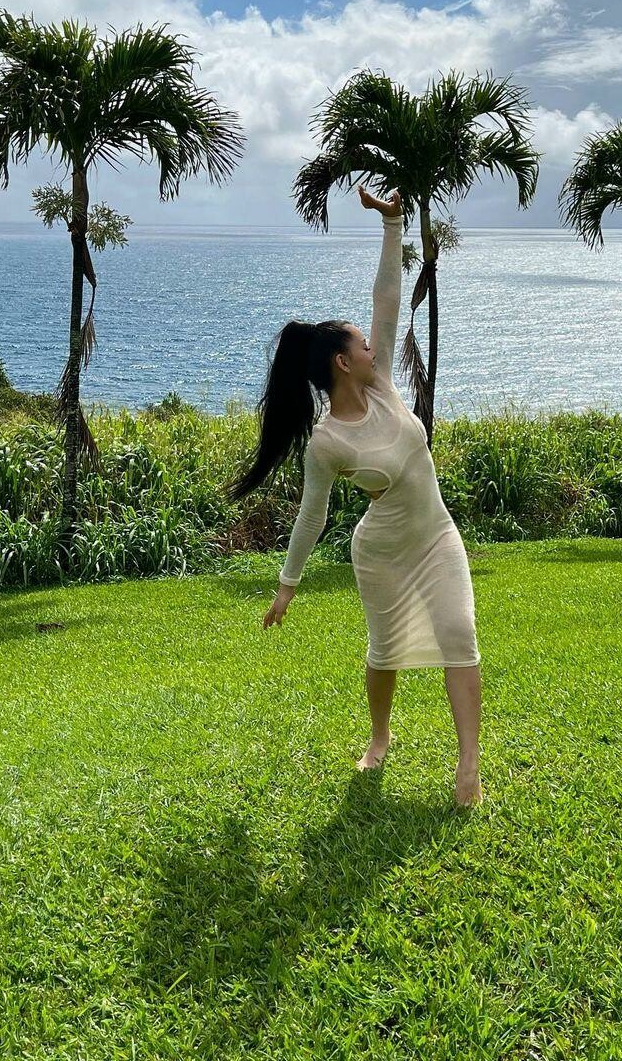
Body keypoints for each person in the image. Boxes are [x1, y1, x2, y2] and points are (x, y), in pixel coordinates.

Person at [227, 184, 483, 807]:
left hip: (436, 535)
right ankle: (380, 737)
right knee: (385, 653)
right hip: (381, 552)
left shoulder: (382, 386)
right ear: (343, 363)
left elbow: (386, 300)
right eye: (361, 345)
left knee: (459, 634)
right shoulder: (327, 442)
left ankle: (468, 770)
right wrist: (287, 586)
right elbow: (311, 516)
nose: (372, 348)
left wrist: (393, 225)